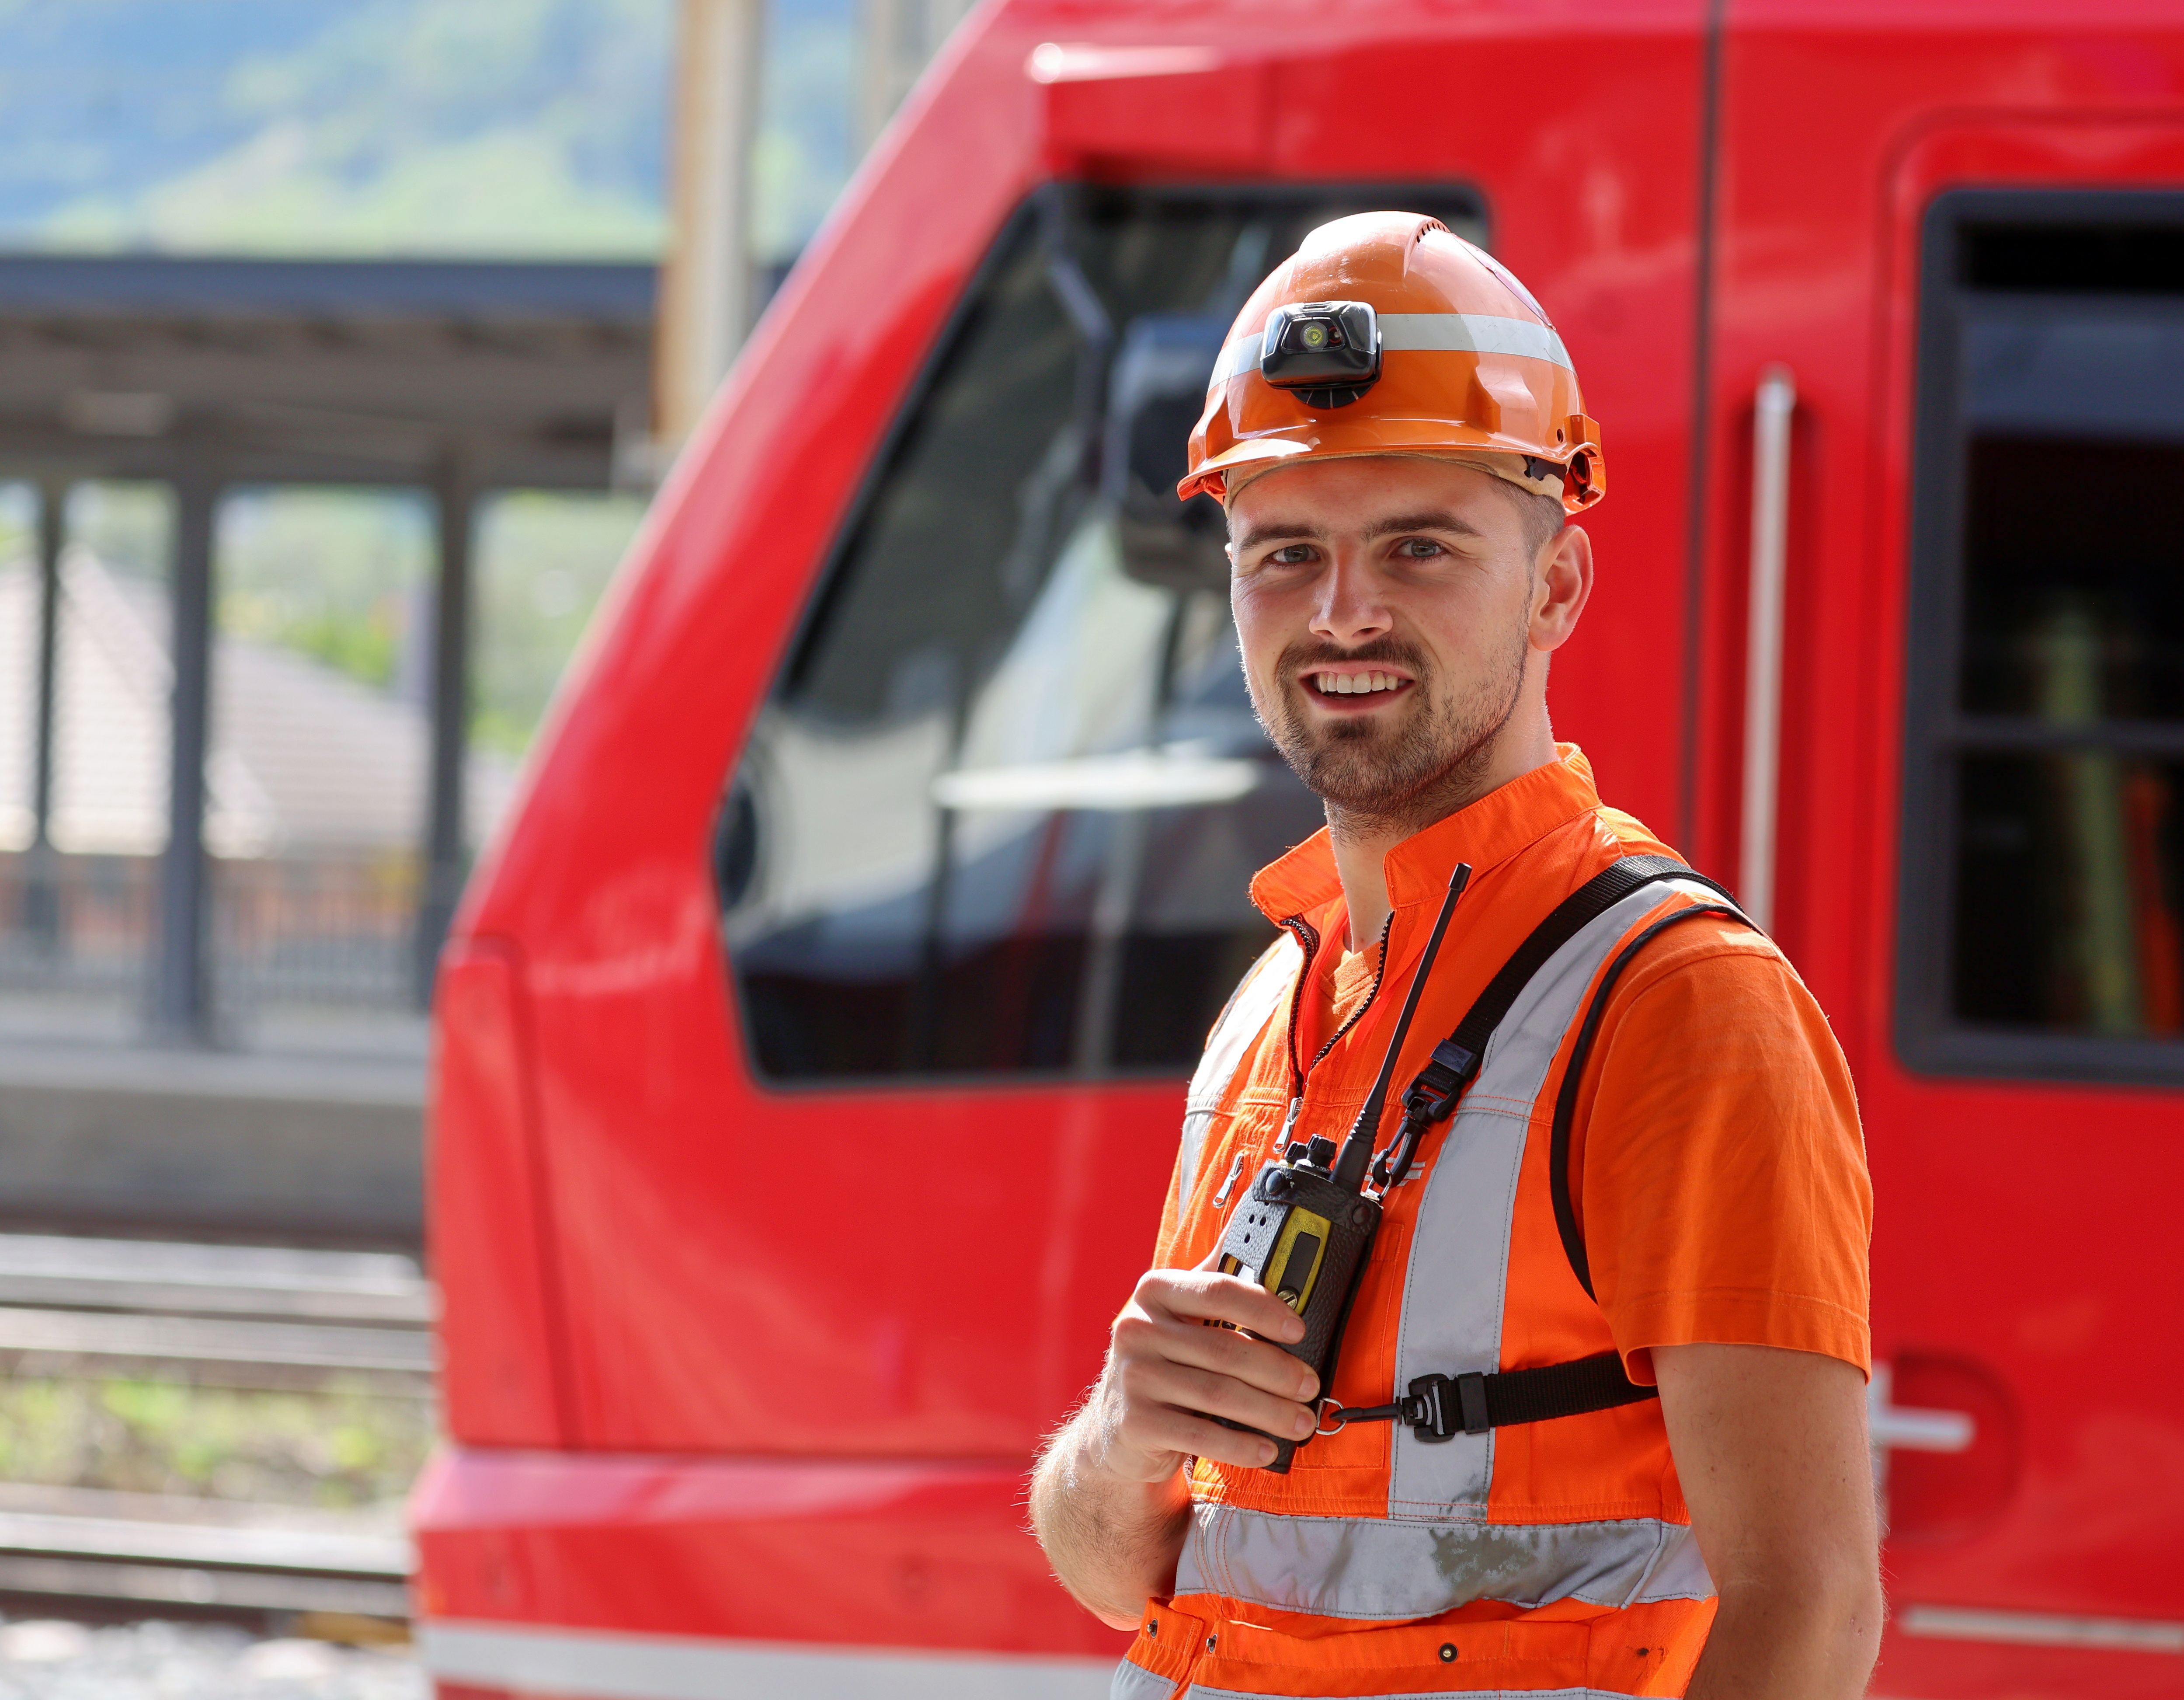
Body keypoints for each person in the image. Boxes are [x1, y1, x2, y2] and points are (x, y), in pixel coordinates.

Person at [1028, 213, 1878, 1700]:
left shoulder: (1679, 1005)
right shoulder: (1274, 1009)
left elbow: (1807, 1611)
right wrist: (1121, 1430)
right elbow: (1118, 1574)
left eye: (1416, 547)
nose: (1341, 608)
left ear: (1555, 587)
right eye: (1282, 552)